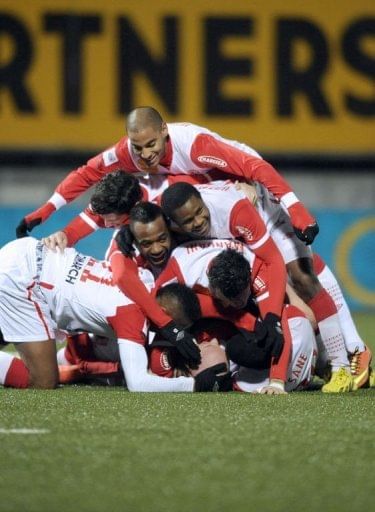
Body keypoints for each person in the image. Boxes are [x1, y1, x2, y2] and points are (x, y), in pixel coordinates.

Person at [16, 106, 318, 247]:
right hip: (198, 195)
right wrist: (45, 212)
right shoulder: (128, 154)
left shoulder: (195, 146)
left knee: (300, 273)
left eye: (151, 145)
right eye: (138, 147)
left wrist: (296, 208)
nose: (145, 155)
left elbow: (254, 166)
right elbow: (86, 177)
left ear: (164, 132)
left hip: (242, 184)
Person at [160, 180, 355, 392]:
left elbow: (280, 317)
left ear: (250, 281)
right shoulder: (181, 265)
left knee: (301, 314)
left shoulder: (256, 268)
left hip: (271, 225)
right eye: (232, 300)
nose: (239, 303)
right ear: (213, 290)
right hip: (221, 305)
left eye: (243, 296)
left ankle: (335, 362)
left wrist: (277, 382)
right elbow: (153, 303)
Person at [0, 236, 223, 391]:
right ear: (164, 312)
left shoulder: (143, 277)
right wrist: (195, 385)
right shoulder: (131, 316)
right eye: (176, 327)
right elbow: (139, 384)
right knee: (43, 380)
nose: (172, 335)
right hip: (24, 280)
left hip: (30, 253)